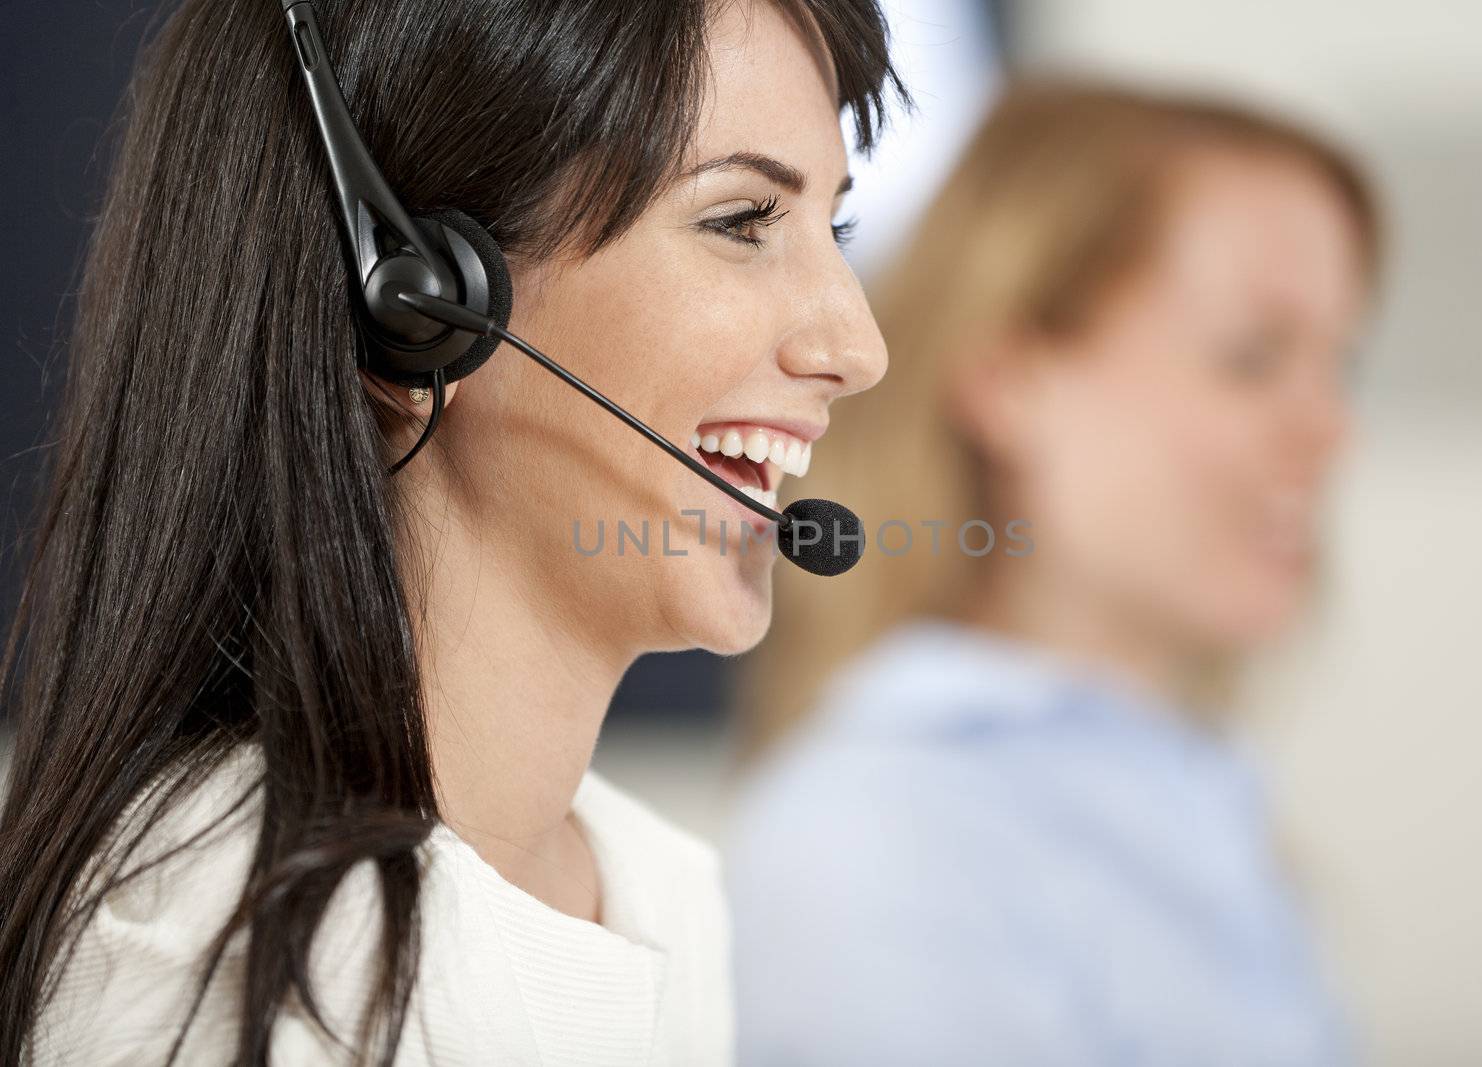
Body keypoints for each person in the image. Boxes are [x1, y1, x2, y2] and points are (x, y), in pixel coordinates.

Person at [0, 0, 902, 1063]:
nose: (858, 346)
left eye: (832, 227)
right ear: (417, 304)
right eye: (740, 219)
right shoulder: (236, 960)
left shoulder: (661, 891)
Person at [728, 79, 1382, 1066]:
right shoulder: (875, 845)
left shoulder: (1191, 789)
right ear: (1009, 379)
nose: (1332, 432)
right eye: (1253, 357)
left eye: (1338, 364)